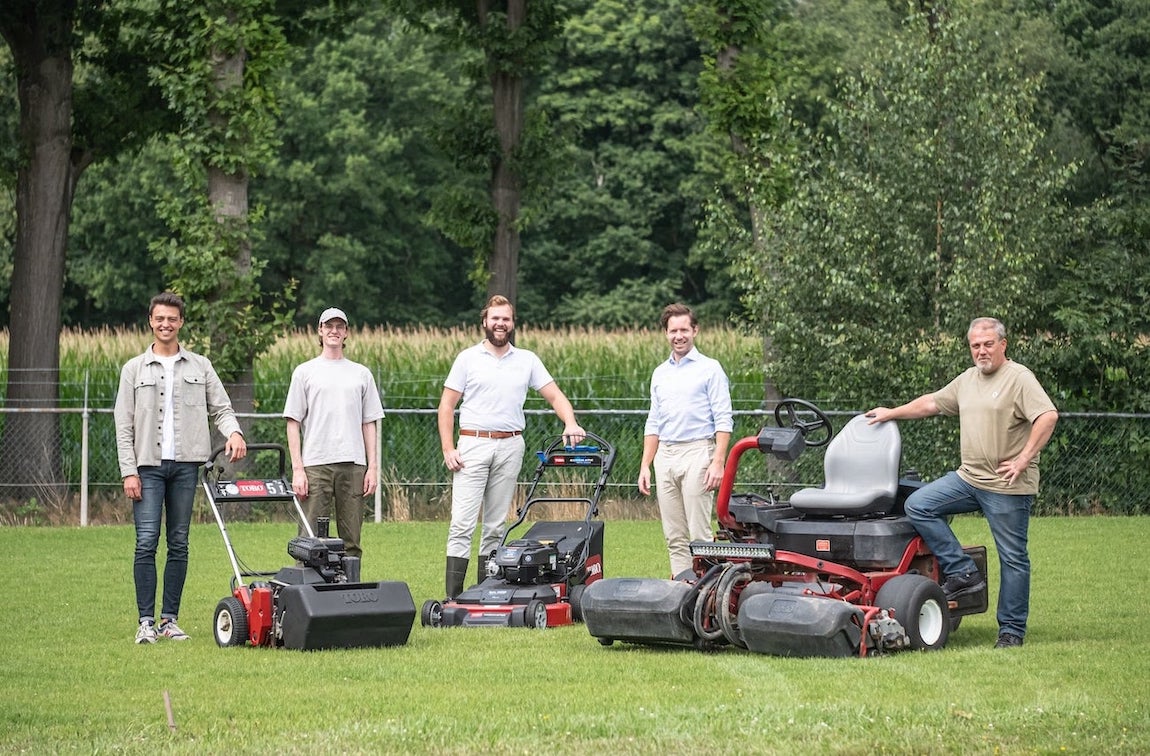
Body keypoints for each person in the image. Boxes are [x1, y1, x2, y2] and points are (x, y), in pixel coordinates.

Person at [866, 317, 1058, 649]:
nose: (981, 351)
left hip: (1006, 486)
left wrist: (1024, 458)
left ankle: (1011, 630)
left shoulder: (1019, 378)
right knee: (919, 505)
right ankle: (963, 571)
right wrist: (891, 412)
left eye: (987, 344)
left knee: (1012, 558)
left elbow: (1047, 416)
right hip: (968, 478)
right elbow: (931, 403)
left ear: (1003, 345)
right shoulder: (968, 380)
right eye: (975, 346)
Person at [115, 291, 247, 644]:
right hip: (148, 468)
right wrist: (129, 470)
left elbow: (221, 407)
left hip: (186, 467)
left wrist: (233, 432)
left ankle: (169, 620)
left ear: (181, 323)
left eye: (172, 319)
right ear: (150, 322)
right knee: (146, 542)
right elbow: (123, 424)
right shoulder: (134, 370)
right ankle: (145, 622)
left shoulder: (200, 366)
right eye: (159, 318)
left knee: (178, 542)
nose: (165, 324)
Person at [437, 295, 585, 598]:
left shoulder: (527, 360)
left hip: (510, 445)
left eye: (505, 319)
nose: (500, 324)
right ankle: (453, 597)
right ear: (484, 322)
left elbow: (555, 396)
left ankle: (481, 593)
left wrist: (570, 422)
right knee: (462, 525)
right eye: (495, 318)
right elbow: (446, 406)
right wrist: (448, 448)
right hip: (472, 445)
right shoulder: (468, 358)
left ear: (512, 323)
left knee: (494, 526)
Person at [638, 303, 733, 578]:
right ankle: (681, 590)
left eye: (684, 330)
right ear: (666, 334)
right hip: (665, 456)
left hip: (698, 452)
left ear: (695, 330)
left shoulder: (710, 369)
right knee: (674, 535)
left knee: (699, 532)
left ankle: (709, 594)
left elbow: (724, 418)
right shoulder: (660, 373)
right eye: (673, 331)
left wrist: (718, 462)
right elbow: (653, 421)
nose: (679, 336)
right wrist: (646, 465)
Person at [284, 307, 385, 562]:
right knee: (309, 540)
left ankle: (349, 593)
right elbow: (293, 422)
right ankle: (307, 596)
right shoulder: (304, 372)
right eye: (329, 326)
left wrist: (372, 467)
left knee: (351, 541)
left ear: (346, 333)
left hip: (353, 466)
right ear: (320, 330)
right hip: (316, 464)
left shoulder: (361, 374)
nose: (334, 331)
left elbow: (369, 423)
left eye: (340, 326)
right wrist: (298, 468)